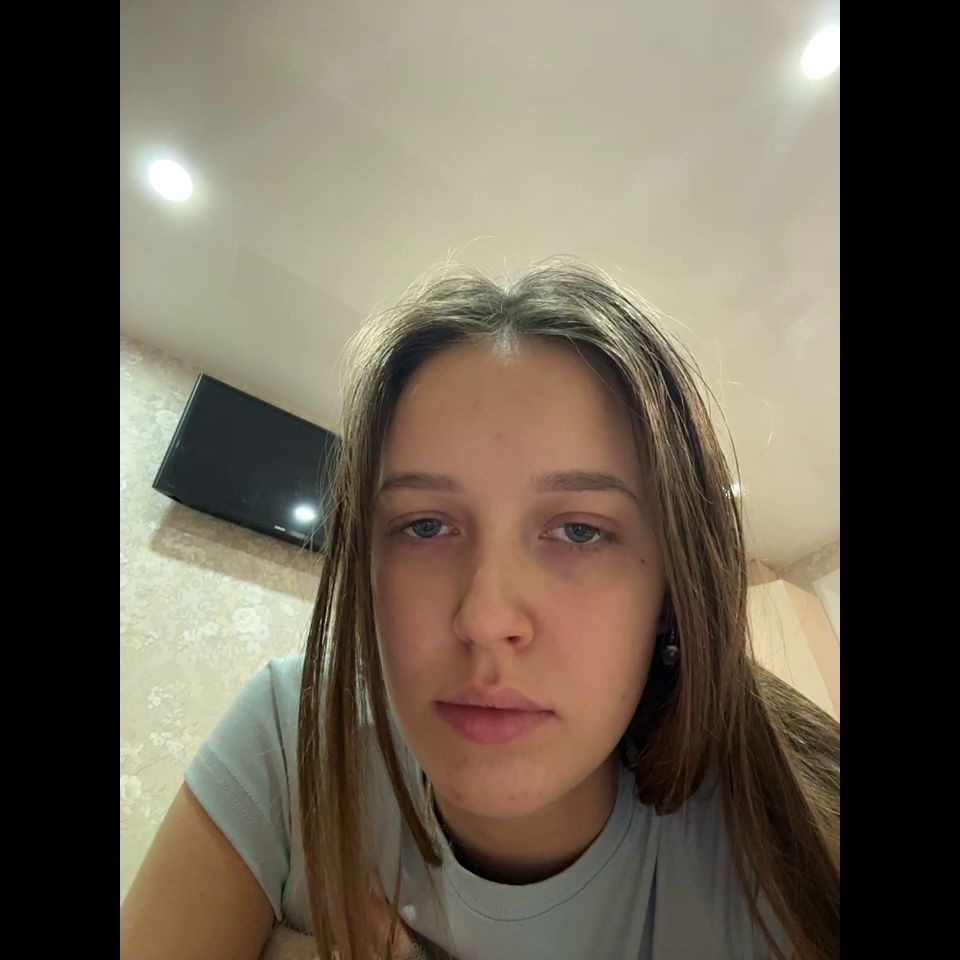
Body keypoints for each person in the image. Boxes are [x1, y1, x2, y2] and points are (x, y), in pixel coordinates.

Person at [120, 259, 840, 960]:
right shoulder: (292, 730)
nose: (486, 618)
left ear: (672, 594)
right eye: (425, 526)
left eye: (579, 531)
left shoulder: (789, 870)